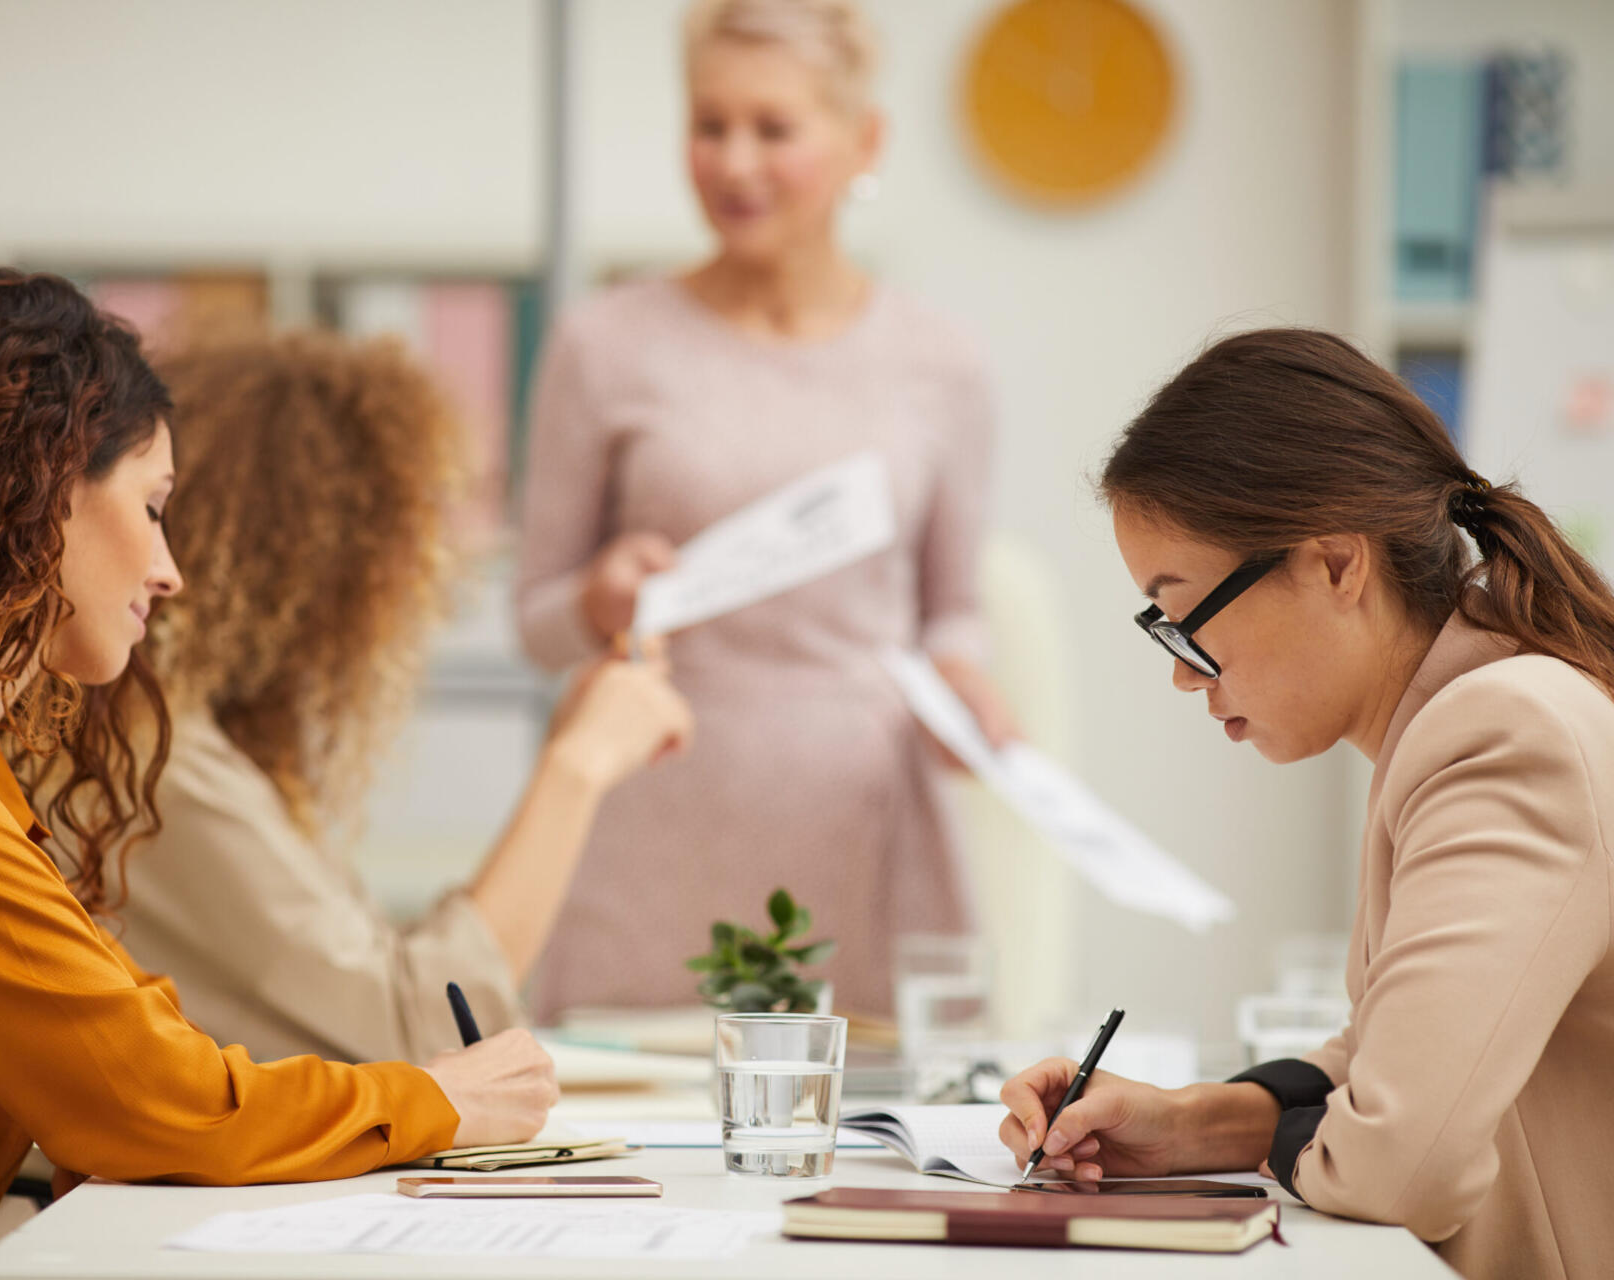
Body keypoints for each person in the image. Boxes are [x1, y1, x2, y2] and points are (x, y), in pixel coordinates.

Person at [0, 271, 556, 1280]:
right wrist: (437, 1099)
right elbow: (157, 1096)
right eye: (150, 508)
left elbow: (123, 1048)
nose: (169, 569)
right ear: (40, 491)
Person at [996, 329, 1614, 1280]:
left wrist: (1276, 1140)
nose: (1183, 676)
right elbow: (1386, 1065)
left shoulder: (1504, 732)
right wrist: (1190, 1124)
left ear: (1335, 565)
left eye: (1185, 616)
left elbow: (1400, 1166)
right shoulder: (1472, 713)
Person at [514, 0, 1016, 1018]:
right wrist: (602, 597)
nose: (733, 163)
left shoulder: (942, 362)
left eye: (773, 129)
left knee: (873, 1148)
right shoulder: (602, 343)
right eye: (709, 124)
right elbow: (535, 620)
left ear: (862, 140)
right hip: (650, 830)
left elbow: (950, 606)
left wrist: (967, 679)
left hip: (862, 838)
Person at [110, 333, 694, 1065]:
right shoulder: (159, 759)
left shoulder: (190, 741)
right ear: (317, 565)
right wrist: (576, 767)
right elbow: (422, 1029)